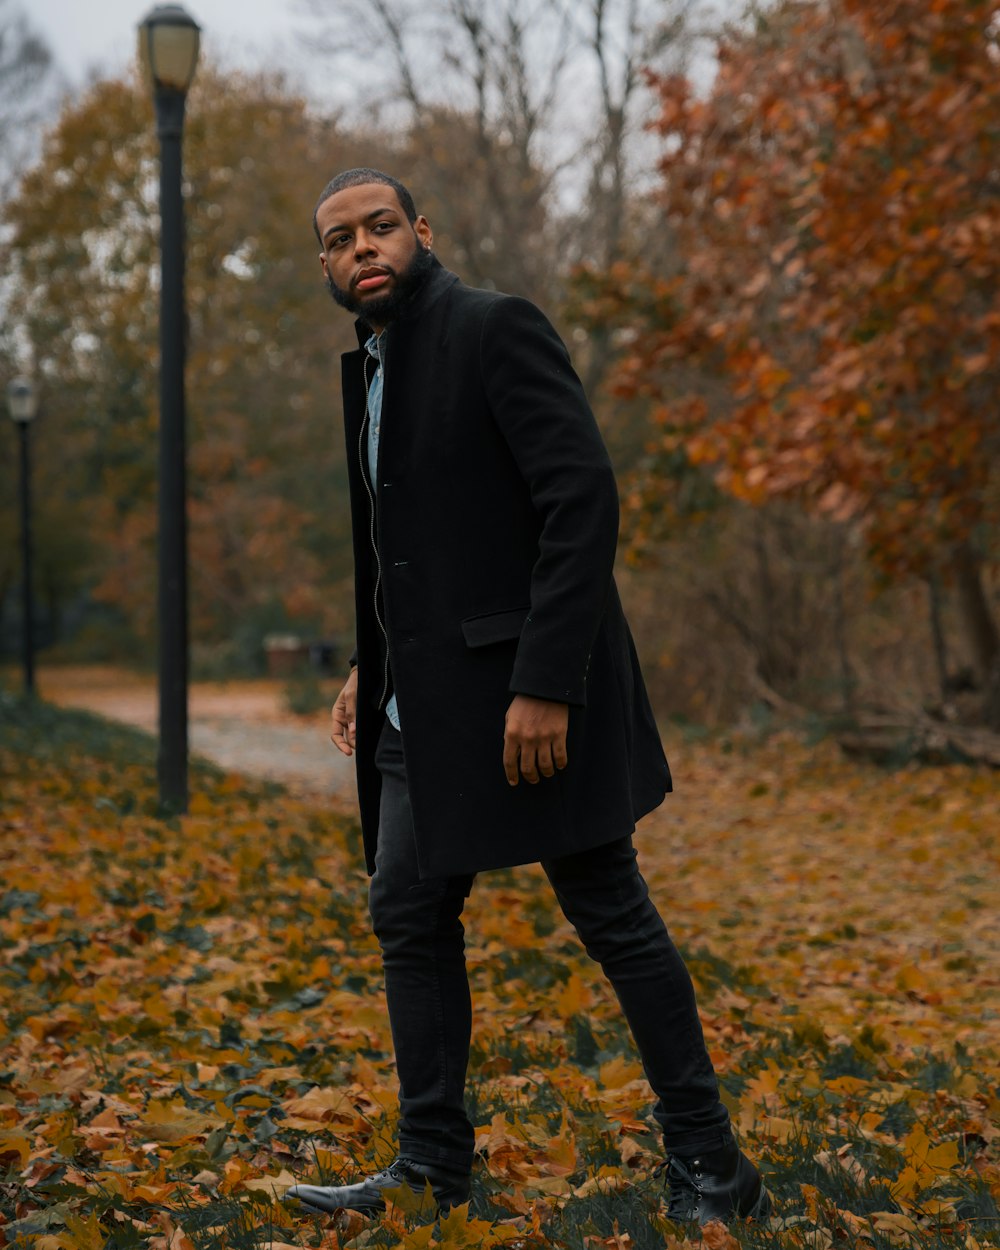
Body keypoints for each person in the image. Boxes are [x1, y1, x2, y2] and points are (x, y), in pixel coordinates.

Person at [286, 168, 768, 1227]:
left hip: (534, 698)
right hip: (424, 707)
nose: (361, 248)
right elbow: (409, 552)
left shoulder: (493, 327)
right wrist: (375, 666)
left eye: (379, 228)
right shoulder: (370, 370)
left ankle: (711, 1162)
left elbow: (580, 501)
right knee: (405, 910)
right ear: (323, 266)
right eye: (337, 240)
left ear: (422, 230)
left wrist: (545, 682)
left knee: (609, 911)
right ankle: (429, 1164)